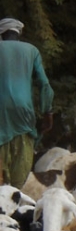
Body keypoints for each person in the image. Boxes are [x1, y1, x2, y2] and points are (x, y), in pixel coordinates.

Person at [0, 17, 54, 188]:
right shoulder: (32, 50)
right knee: (22, 154)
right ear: (18, 33)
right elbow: (44, 84)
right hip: (24, 112)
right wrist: (47, 111)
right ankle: (15, 192)